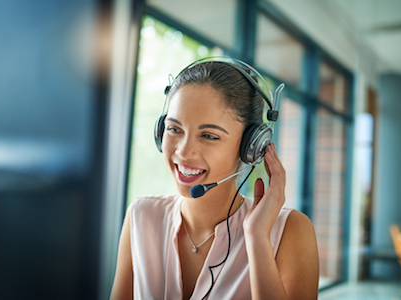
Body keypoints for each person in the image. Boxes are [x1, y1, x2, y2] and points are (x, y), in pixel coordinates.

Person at [111, 57, 319, 299]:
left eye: (209, 136)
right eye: (174, 129)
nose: (183, 152)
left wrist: (257, 237)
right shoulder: (142, 215)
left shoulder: (290, 231)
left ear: (251, 147)